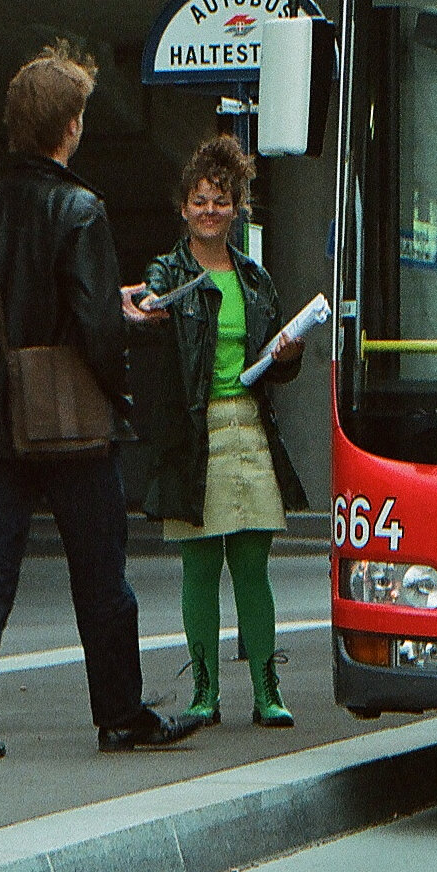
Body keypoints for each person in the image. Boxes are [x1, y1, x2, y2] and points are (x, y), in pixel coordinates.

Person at [0, 45, 204, 759]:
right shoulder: (81, 208)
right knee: (101, 571)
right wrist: (129, 331)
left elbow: (28, 301)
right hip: (72, 420)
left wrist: (102, 305)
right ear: (69, 126)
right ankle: (119, 714)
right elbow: (91, 326)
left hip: (5, 412)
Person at [124, 137, 310, 729]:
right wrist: (147, 308)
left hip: (248, 428)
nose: (210, 210)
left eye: (221, 200)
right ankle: (204, 691)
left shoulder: (254, 278)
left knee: (253, 564)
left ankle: (267, 690)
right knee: (199, 566)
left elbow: (279, 365)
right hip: (192, 433)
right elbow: (147, 308)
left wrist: (287, 354)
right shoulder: (168, 272)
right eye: (200, 200)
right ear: (183, 207)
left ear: (237, 209)